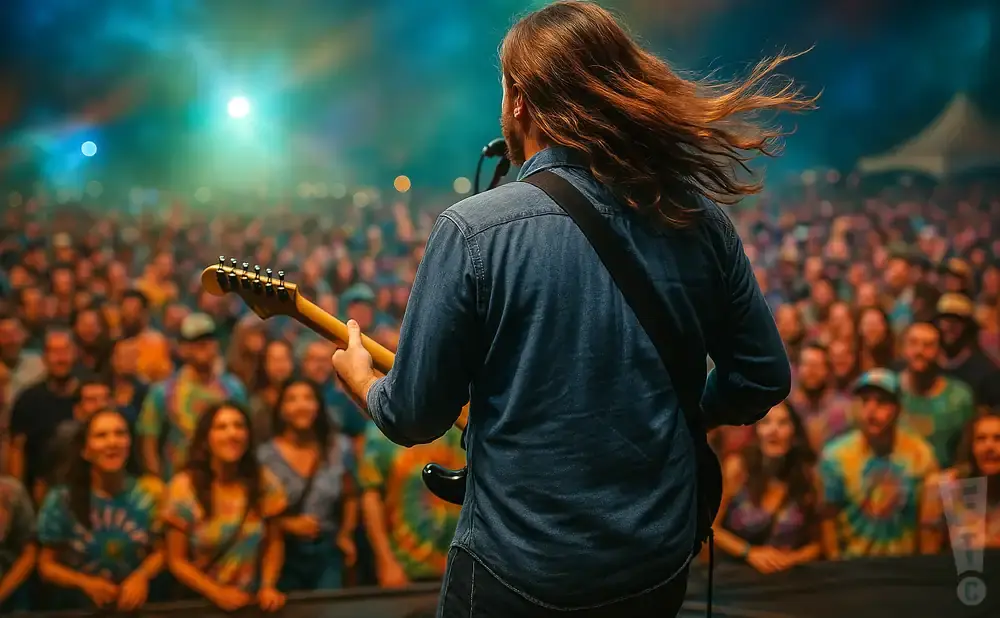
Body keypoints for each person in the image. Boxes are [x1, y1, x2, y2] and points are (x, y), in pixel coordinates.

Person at [331, 1, 807, 615]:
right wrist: (681, 412)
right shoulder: (698, 220)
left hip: (519, 573)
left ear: (521, 100)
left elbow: (415, 416)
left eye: (504, 91)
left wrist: (365, 384)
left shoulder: (477, 229)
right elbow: (762, 376)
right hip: (655, 566)